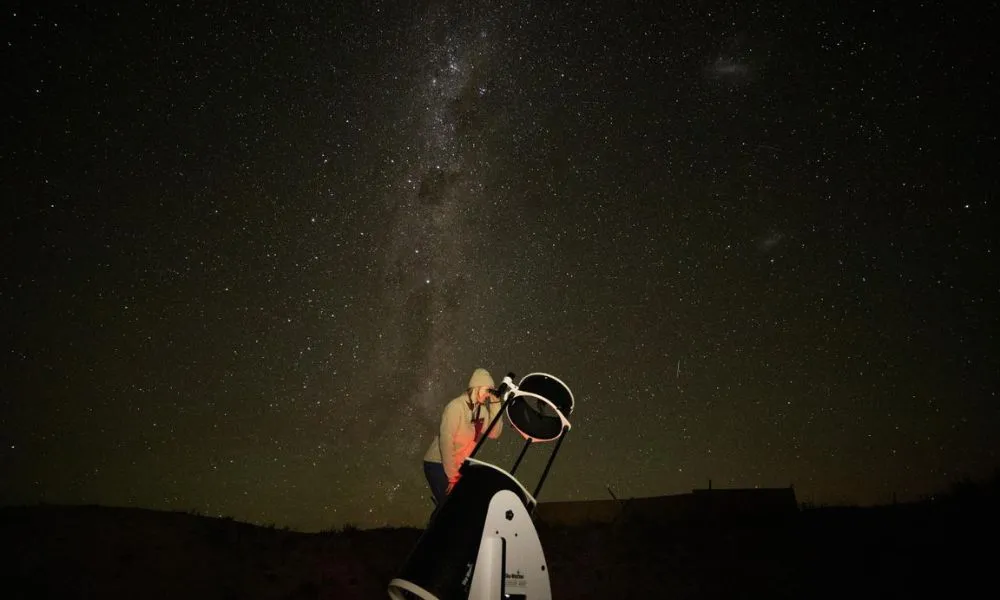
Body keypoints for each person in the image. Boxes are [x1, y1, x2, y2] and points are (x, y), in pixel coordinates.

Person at [423, 368, 504, 507]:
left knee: (465, 504)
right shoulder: (456, 406)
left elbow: (494, 433)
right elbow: (446, 442)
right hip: (438, 463)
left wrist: (496, 404)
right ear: (476, 386)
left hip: (459, 463)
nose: (488, 394)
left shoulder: (481, 410)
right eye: (487, 390)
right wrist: (453, 477)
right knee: (450, 507)